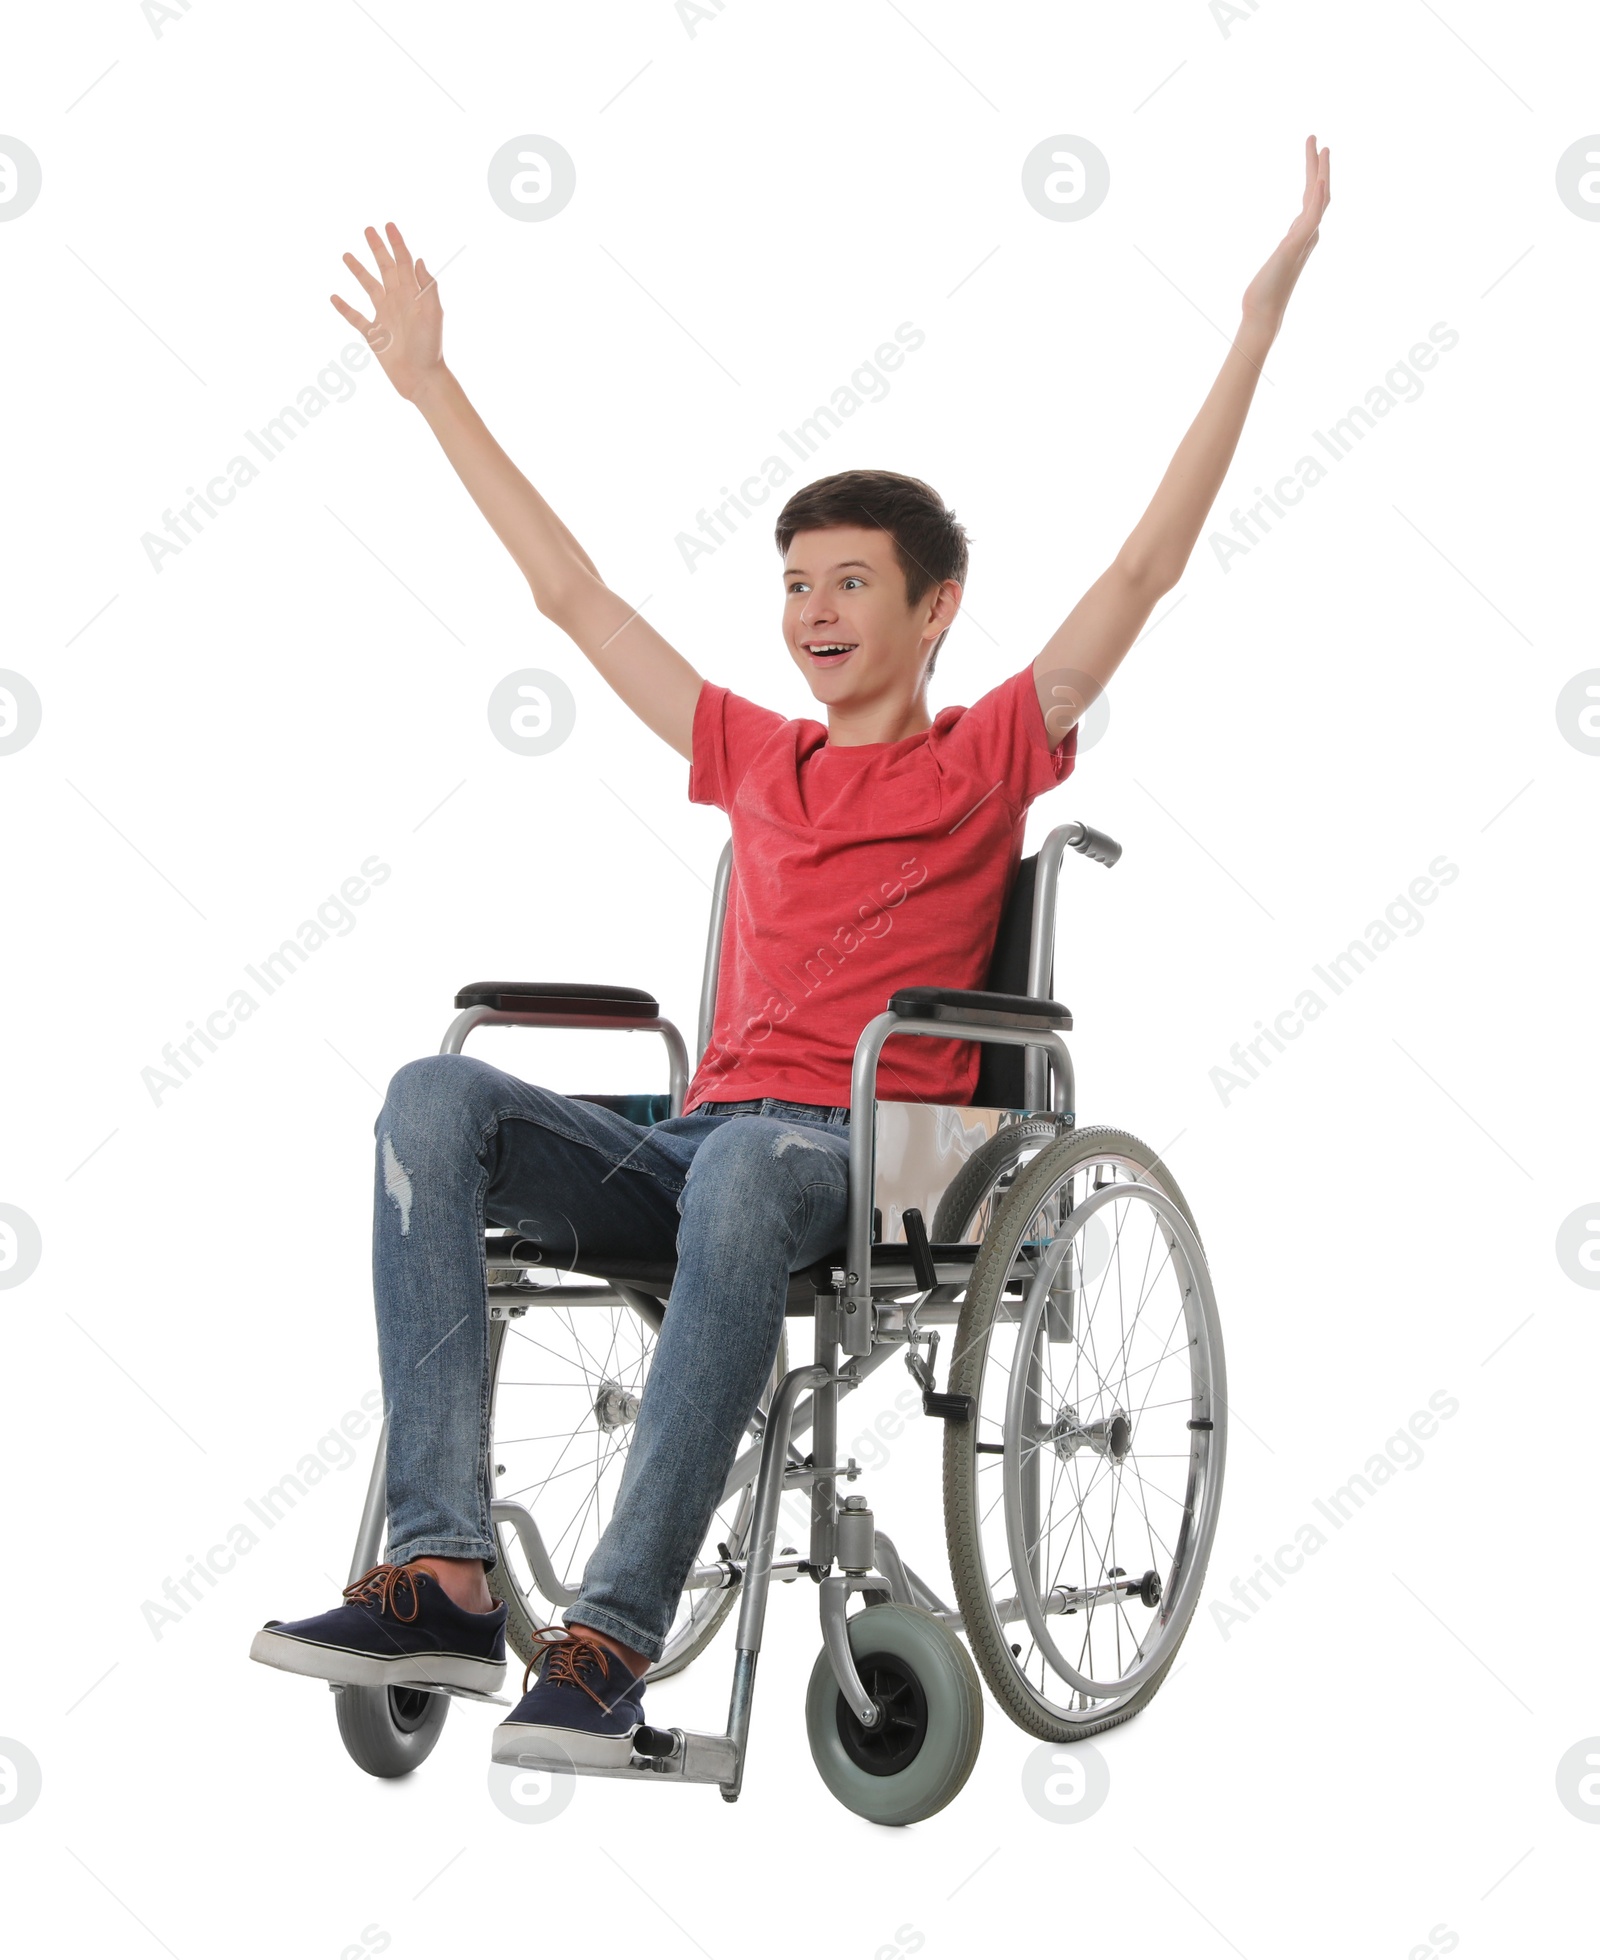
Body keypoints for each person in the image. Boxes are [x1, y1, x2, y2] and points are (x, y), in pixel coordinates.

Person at [250, 138, 1332, 1770]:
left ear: (935, 608)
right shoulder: (756, 754)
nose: (814, 613)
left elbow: (1144, 568)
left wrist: (1254, 320)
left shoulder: (990, 752)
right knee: (431, 1096)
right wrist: (429, 386)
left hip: (865, 1156)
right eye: (795, 588)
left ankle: (609, 1645)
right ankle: (445, 1573)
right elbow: (574, 595)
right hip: (706, 1142)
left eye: (848, 586)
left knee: (750, 1168)